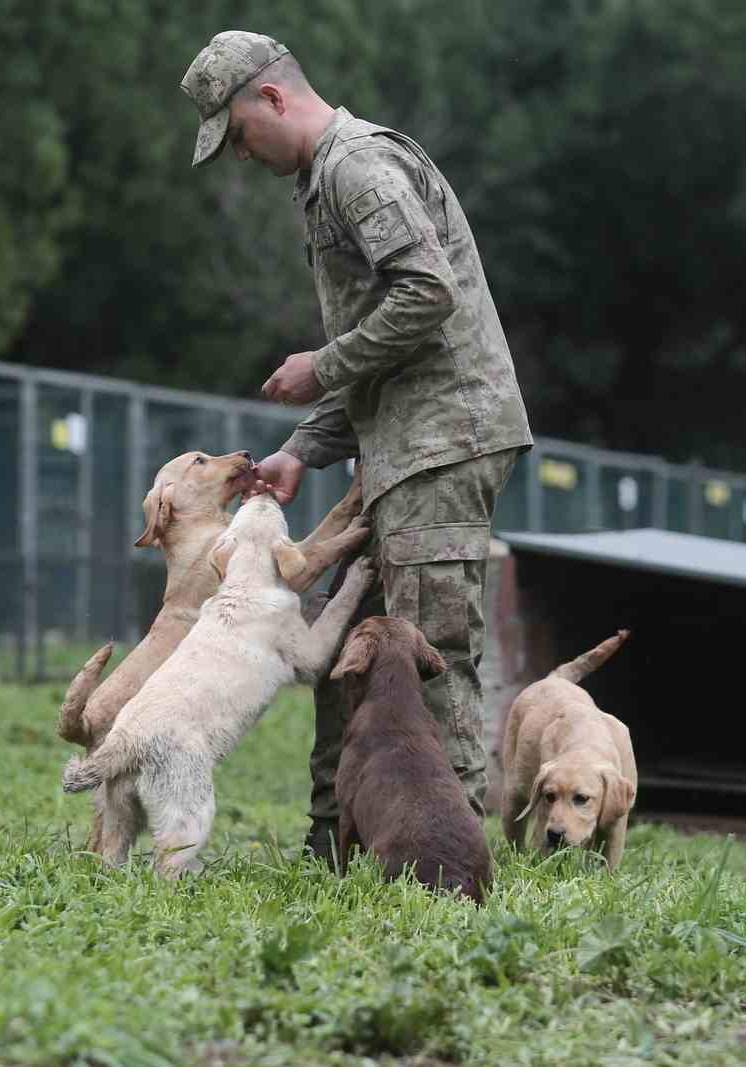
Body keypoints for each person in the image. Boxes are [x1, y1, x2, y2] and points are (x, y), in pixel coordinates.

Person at [181, 30, 532, 858]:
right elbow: (382, 341)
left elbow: (427, 296)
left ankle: (446, 858)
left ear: (270, 98)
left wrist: (321, 368)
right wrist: (306, 446)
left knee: (426, 653)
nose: (240, 155)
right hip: (400, 441)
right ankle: (334, 842)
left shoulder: (358, 166)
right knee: (351, 652)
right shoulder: (325, 179)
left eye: (236, 133)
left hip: (446, 439)